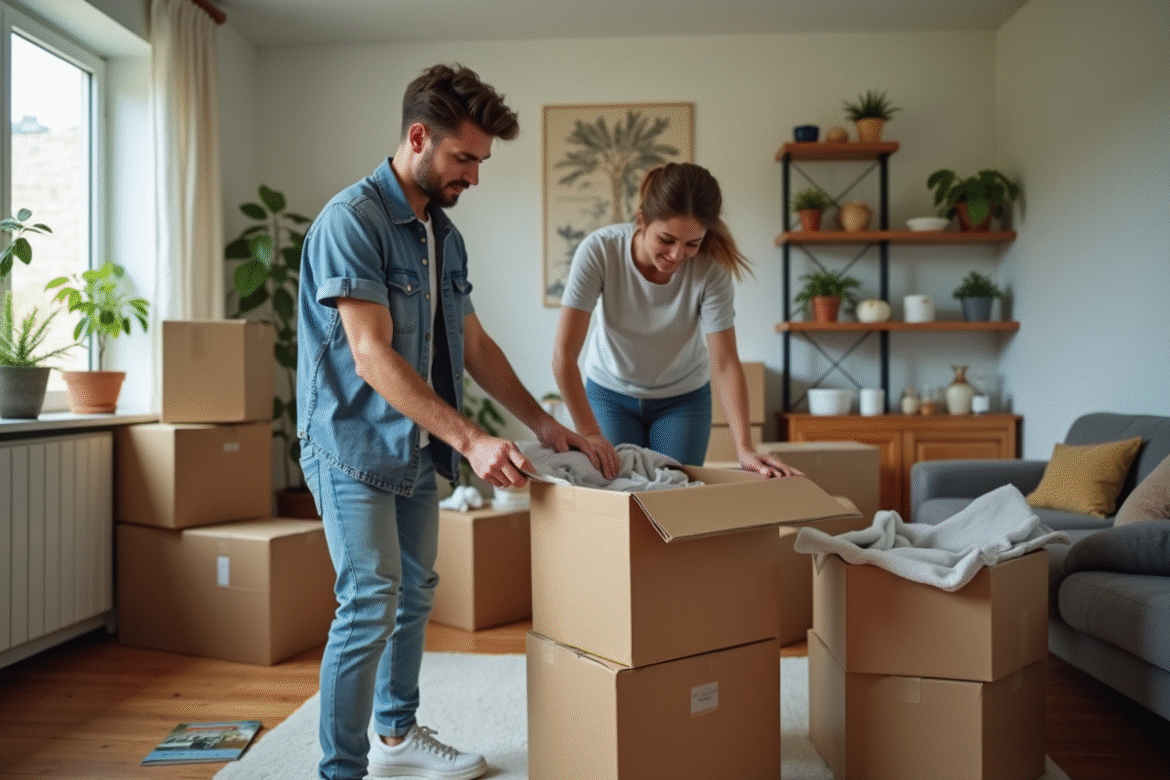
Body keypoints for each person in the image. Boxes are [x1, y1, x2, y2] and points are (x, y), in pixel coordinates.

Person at [297, 63, 603, 780]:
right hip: (349, 443)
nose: (474, 175)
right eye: (464, 157)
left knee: (416, 589)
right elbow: (371, 356)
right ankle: (340, 771)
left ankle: (396, 739)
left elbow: (472, 343)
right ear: (418, 138)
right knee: (371, 596)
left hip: (415, 444)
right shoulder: (353, 221)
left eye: (481, 160)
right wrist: (469, 437)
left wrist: (541, 422)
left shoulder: (443, 234)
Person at [552, 162, 802, 480]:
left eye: (692, 244)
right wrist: (588, 434)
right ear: (642, 218)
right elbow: (564, 354)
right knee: (617, 492)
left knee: (672, 493)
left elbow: (724, 363)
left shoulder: (711, 271)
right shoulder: (600, 251)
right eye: (666, 240)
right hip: (609, 392)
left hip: (682, 399)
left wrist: (745, 448)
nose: (676, 255)